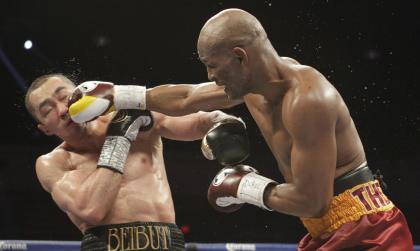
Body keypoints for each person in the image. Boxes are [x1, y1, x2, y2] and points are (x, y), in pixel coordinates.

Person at [67, 9, 413, 250]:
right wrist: (118, 94)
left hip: (368, 232)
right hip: (325, 230)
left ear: (240, 57)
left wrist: (245, 186)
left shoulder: (308, 100)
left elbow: (313, 201)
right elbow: (188, 97)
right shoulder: (253, 86)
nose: (209, 76)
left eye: (212, 66)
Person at [25, 73, 249, 251]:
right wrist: (120, 136)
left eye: (64, 96)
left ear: (78, 94)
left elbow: (196, 122)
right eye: (48, 110)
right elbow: (92, 209)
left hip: (166, 242)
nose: (62, 110)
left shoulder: (132, 115)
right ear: (45, 128)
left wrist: (222, 121)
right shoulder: (52, 163)